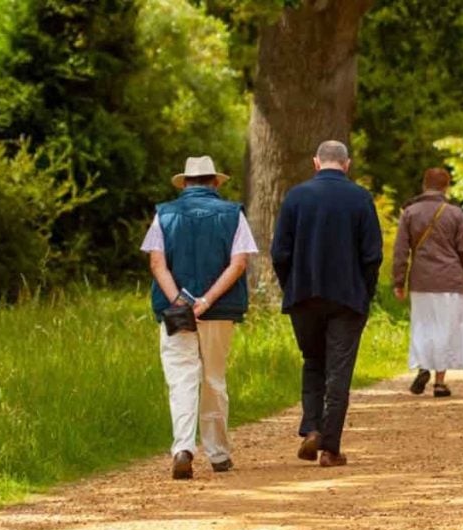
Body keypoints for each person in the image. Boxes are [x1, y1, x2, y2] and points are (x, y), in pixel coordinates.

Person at [141, 156, 258, 479]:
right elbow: (238, 264)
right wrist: (205, 301)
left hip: (175, 310)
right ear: (215, 182)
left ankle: (183, 448)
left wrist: (179, 299)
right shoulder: (233, 214)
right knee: (213, 378)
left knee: (181, 377)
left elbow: (156, 264)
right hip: (218, 310)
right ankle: (219, 454)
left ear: (185, 184)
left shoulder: (163, 215)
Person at [271, 140, 383, 468]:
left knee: (313, 361)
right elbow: (372, 255)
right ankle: (330, 448)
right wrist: (365, 293)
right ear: (346, 164)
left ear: (316, 163)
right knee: (339, 370)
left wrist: (290, 286)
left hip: (304, 295)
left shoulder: (295, 196)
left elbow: (280, 253)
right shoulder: (361, 198)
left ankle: (312, 428)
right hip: (348, 297)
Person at [392, 168, 463, 397]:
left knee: (423, 325)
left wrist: (399, 281)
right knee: (446, 329)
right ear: (446, 186)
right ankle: (439, 382)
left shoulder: (409, 212)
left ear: (424, 185)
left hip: (421, 281)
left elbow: (401, 251)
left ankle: (423, 367)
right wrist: (462, 270)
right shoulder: (455, 214)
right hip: (450, 280)